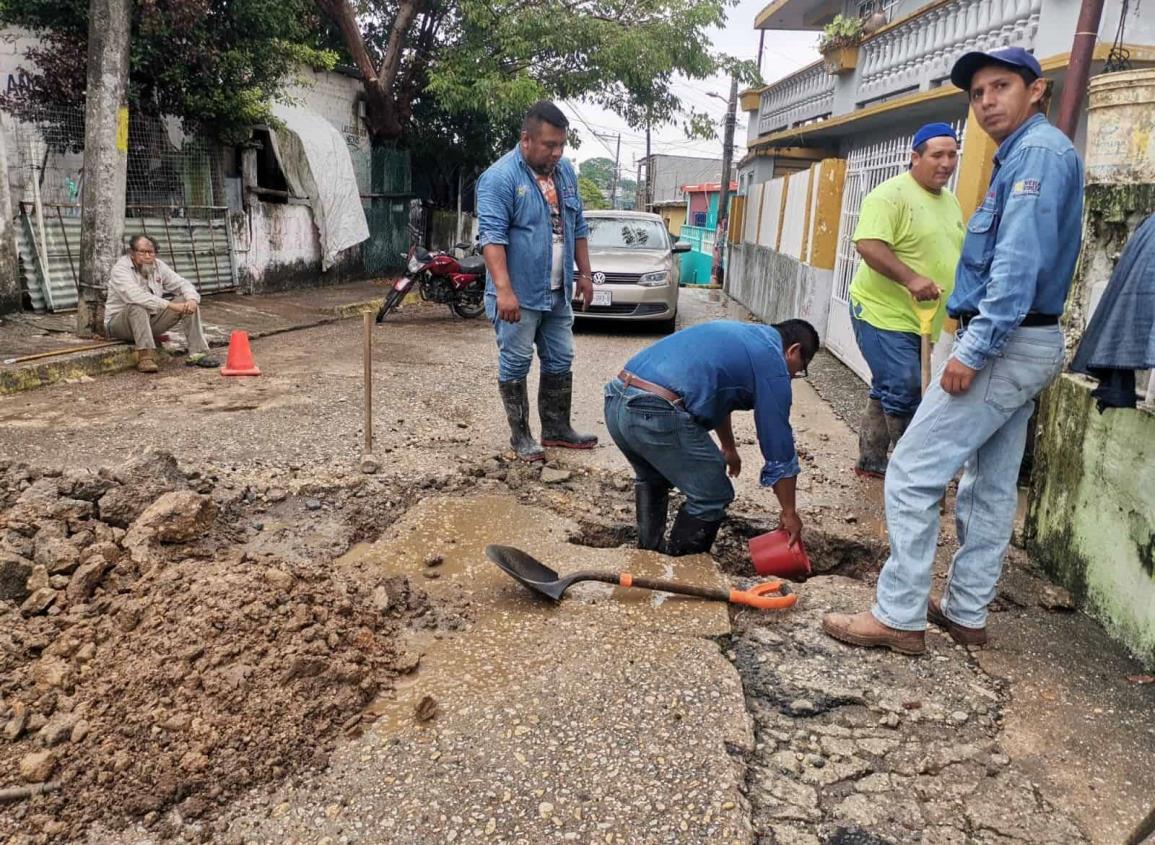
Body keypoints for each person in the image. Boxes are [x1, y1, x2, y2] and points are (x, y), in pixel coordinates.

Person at [823, 47, 1085, 655]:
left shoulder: (1037, 157)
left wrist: (974, 351)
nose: (987, 101)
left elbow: (1016, 267)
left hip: (1004, 344)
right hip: (1026, 343)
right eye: (977, 93)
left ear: (1036, 90)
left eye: (1001, 86)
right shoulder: (1023, 154)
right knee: (990, 484)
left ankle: (899, 616)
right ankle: (966, 611)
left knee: (912, 473)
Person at [603, 319, 819, 557]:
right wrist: (789, 512)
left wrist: (728, 447)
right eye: (799, 370)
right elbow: (777, 443)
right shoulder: (773, 363)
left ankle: (648, 556)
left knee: (654, 477)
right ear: (794, 350)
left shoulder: (746, 337)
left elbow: (718, 395)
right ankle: (681, 570)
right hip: (653, 411)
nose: (791, 378)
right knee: (712, 494)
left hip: (617, 401)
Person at [477, 101, 597, 462]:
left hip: (556, 292)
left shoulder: (565, 175)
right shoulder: (500, 178)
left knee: (561, 357)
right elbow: (492, 239)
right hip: (519, 295)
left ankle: (557, 429)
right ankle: (521, 436)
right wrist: (504, 291)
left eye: (561, 145)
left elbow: (578, 227)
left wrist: (586, 273)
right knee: (516, 363)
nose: (557, 153)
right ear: (526, 140)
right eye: (550, 145)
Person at [849, 123, 964, 477]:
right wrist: (911, 279)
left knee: (889, 384)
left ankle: (871, 460)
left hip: (921, 318)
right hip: (882, 312)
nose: (946, 163)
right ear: (915, 157)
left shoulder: (950, 200)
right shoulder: (889, 196)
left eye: (952, 155)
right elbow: (868, 244)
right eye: (937, 155)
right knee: (906, 385)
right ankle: (913, 472)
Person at [105, 235, 220, 373]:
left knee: (186, 301)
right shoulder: (120, 269)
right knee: (137, 305)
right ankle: (145, 357)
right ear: (132, 253)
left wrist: (192, 300)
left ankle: (198, 352)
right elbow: (136, 296)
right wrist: (170, 305)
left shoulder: (158, 266)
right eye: (142, 252)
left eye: (151, 252)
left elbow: (182, 283)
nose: (147, 256)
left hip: (149, 322)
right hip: (119, 325)